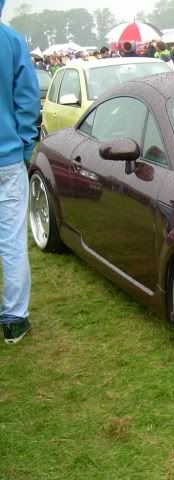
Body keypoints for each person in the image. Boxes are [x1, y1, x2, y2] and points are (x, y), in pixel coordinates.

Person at [0, 0, 40, 344]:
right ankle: (14, 319)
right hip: (7, 158)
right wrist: (26, 147)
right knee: (12, 241)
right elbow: (27, 100)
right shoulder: (10, 41)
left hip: (9, 157)